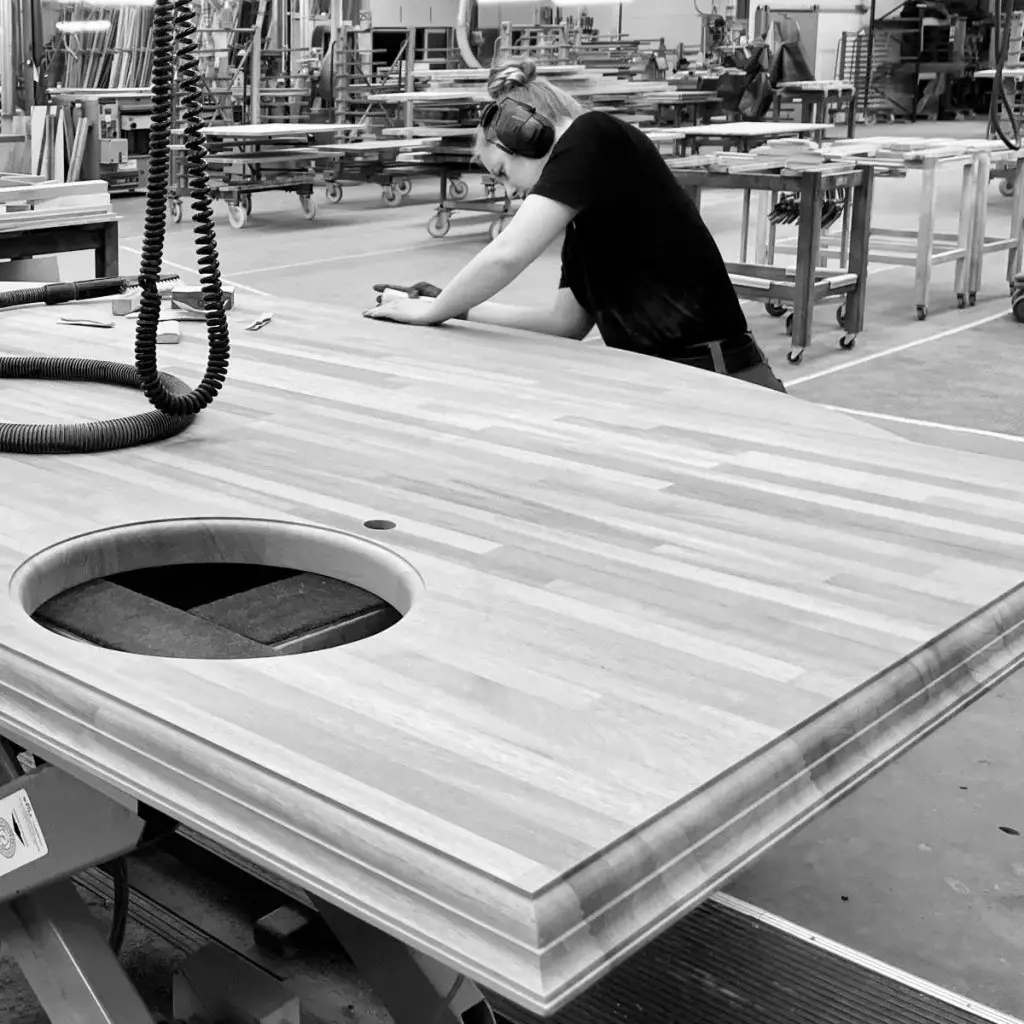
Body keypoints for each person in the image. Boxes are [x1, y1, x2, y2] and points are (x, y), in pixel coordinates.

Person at [365, 59, 786, 392]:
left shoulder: (594, 134)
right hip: (667, 380)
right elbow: (565, 325)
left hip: (722, 379)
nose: (510, 188)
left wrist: (432, 313)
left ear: (527, 135)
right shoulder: (586, 216)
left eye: (503, 171)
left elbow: (507, 254)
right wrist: (457, 305)